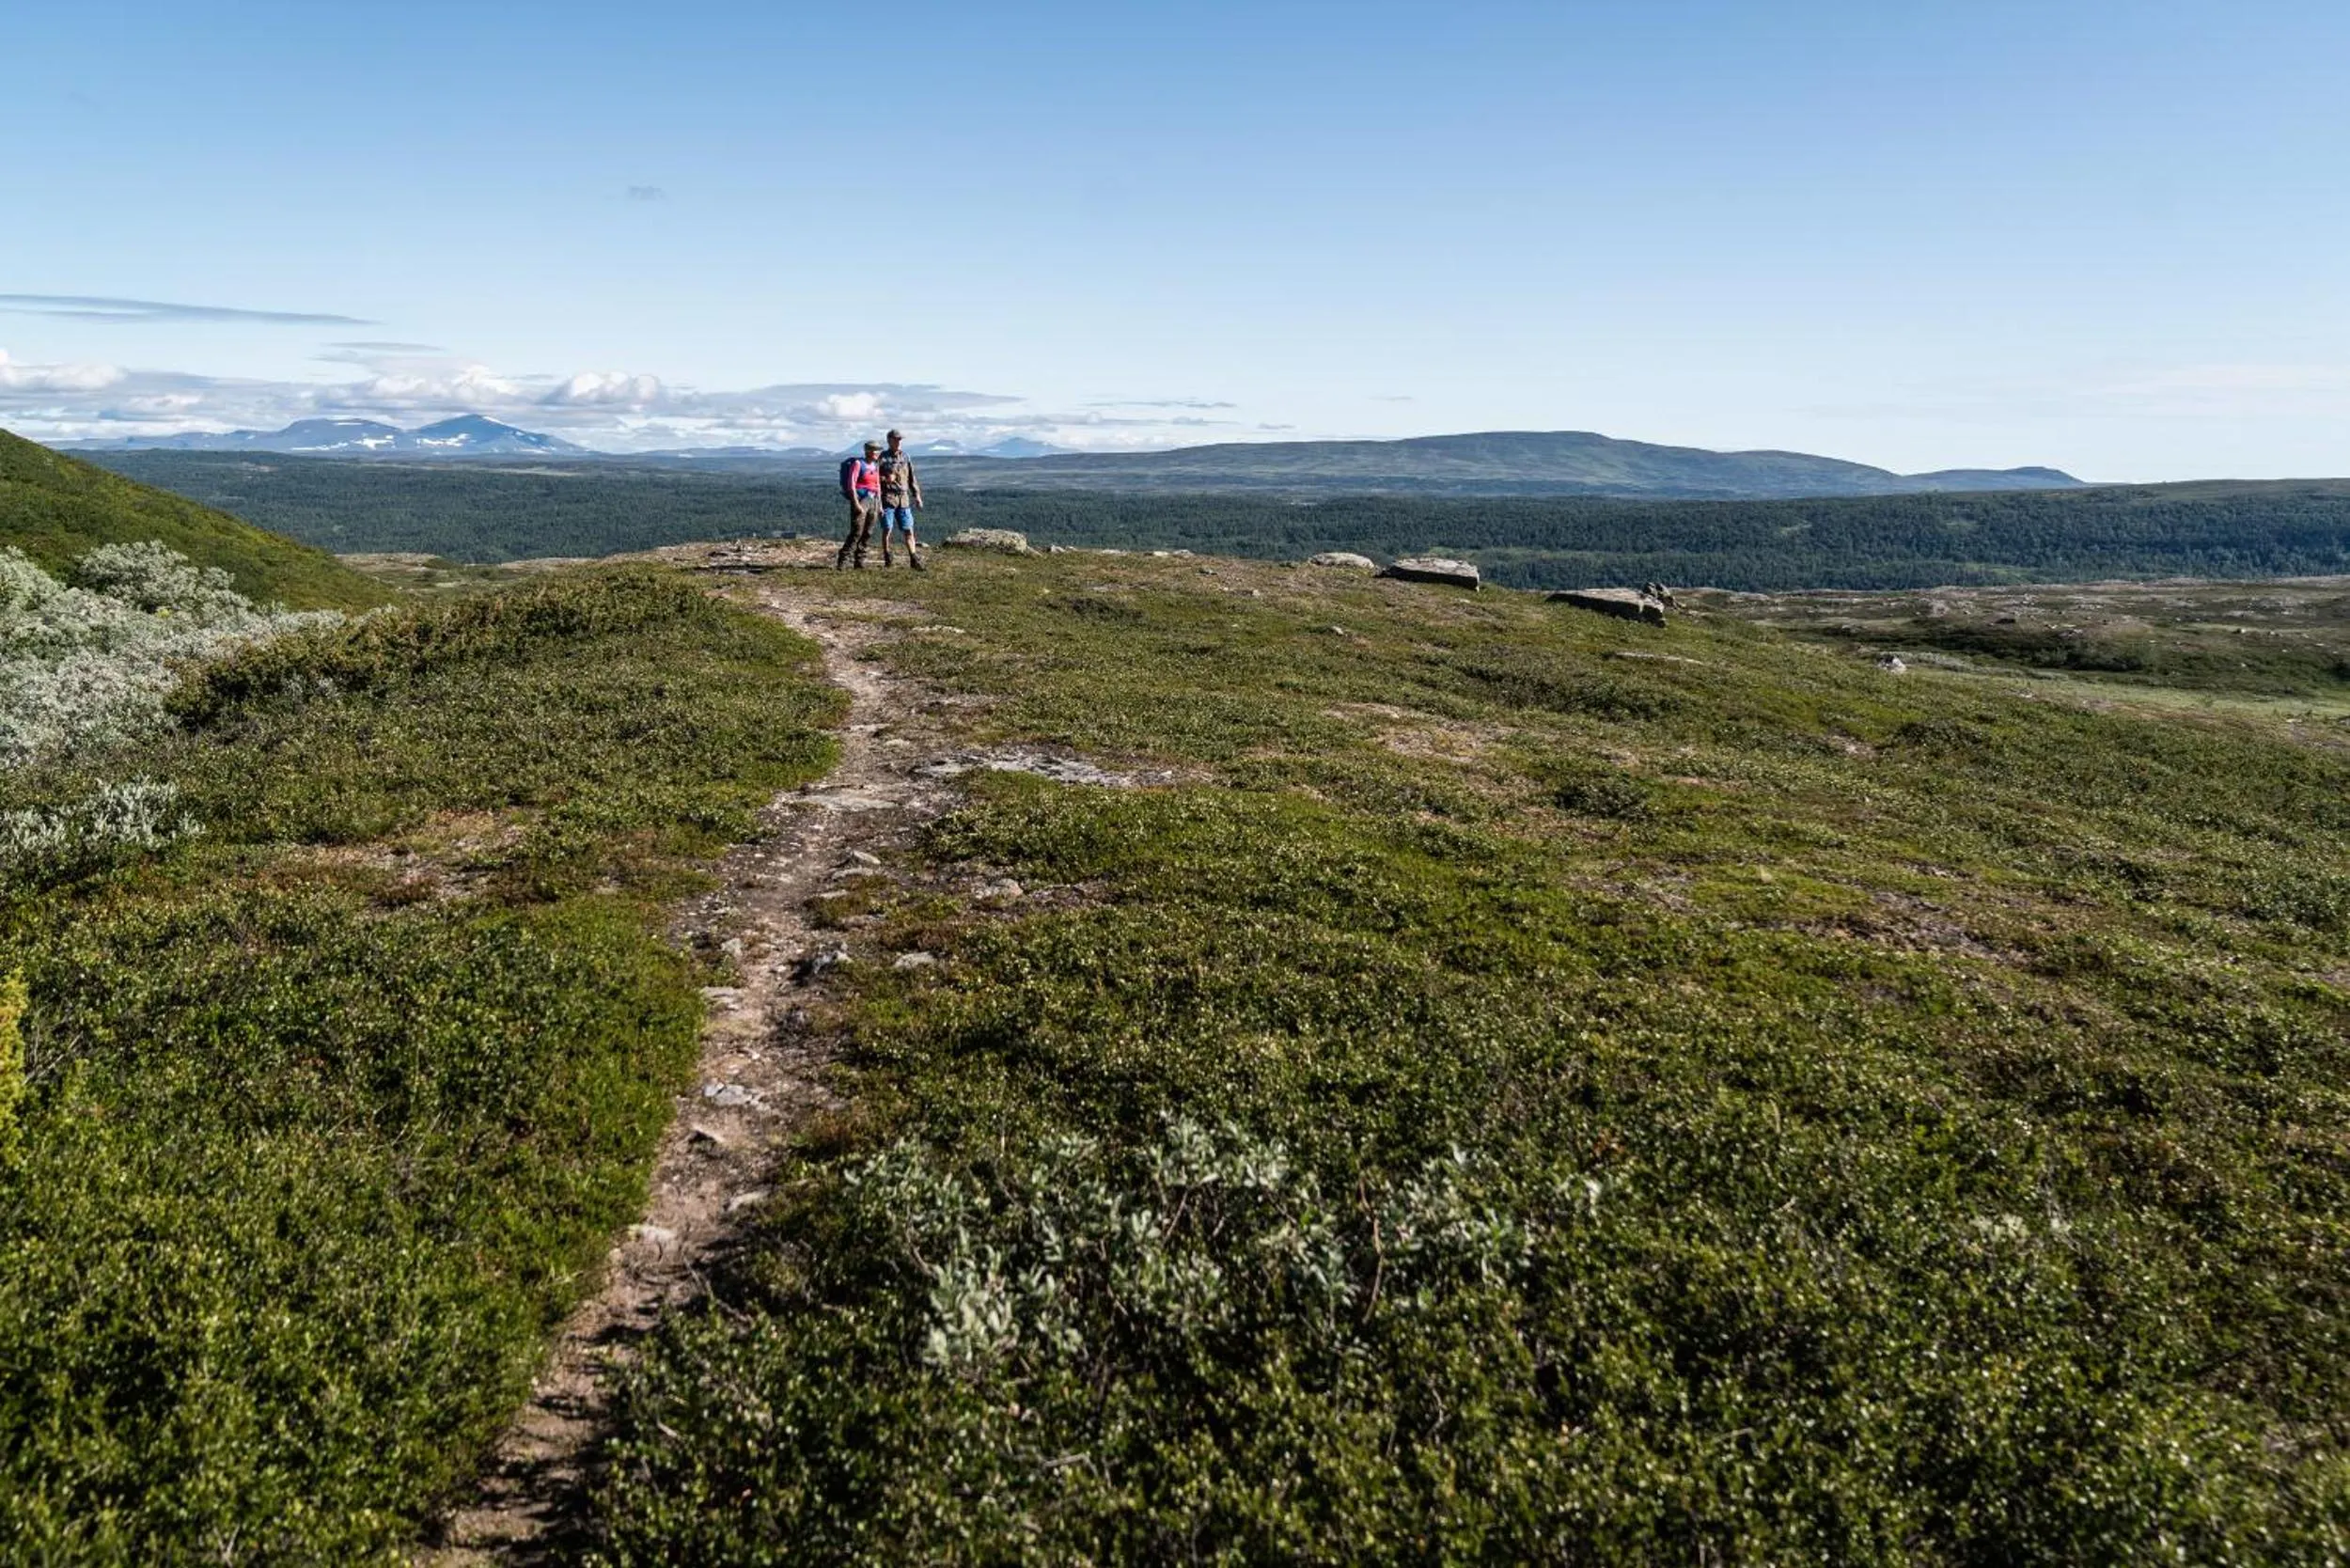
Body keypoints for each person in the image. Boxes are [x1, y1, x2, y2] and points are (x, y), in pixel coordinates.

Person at [877, 429, 926, 570]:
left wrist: (917, 495)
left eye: (900, 440)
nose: (899, 442)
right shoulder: (883, 458)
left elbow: (912, 478)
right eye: (896, 440)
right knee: (887, 528)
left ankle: (913, 558)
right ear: (889, 440)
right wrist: (886, 478)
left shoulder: (905, 457)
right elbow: (873, 478)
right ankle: (888, 556)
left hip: (903, 498)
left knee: (908, 529)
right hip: (888, 498)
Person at [835, 441, 884, 570]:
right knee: (857, 531)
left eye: (878, 451)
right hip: (861, 500)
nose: (878, 453)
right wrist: (856, 503)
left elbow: (878, 486)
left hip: (874, 500)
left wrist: (880, 506)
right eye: (876, 451)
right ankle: (843, 559)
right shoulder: (858, 464)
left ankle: (859, 560)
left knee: (868, 531)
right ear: (868, 451)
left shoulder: (875, 465)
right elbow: (851, 485)